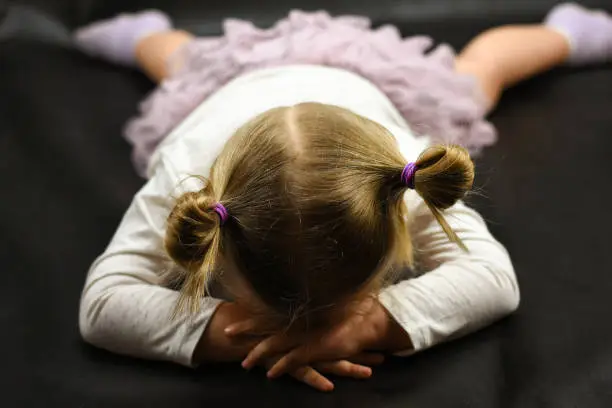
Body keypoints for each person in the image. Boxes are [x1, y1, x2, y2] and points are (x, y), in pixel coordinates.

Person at [76, 3, 612, 392]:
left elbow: (495, 280)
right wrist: (224, 331)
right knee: (180, 62)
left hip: (371, 82)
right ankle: (144, 32)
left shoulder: (400, 172)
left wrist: (373, 320)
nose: (305, 328)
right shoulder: (187, 180)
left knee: (479, 74)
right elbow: (101, 307)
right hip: (226, 91)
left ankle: (562, 32)